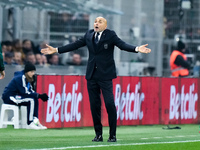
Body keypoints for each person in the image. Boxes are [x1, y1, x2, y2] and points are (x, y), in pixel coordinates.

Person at [41, 16, 151, 142]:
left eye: (100, 22)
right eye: (95, 21)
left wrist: (137, 48)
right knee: (95, 106)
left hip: (105, 76)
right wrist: (56, 50)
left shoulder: (110, 35)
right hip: (92, 75)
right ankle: (98, 135)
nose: (96, 23)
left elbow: (122, 45)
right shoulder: (89, 34)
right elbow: (75, 45)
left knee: (109, 104)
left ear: (105, 25)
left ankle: (112, 135)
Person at [2, 63, 49, 129]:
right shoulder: (20, 78)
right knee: (31, 100)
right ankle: (30, 123)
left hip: (17, 96)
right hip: (9, 97)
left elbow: (30, 91)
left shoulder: (27, 78)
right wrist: (39, 96)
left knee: (35, 98)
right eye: (31, 72)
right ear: (27, 72)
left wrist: (38, 96)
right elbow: (24, 92)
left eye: (34, 72)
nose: (33, 73)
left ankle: (35, 121)